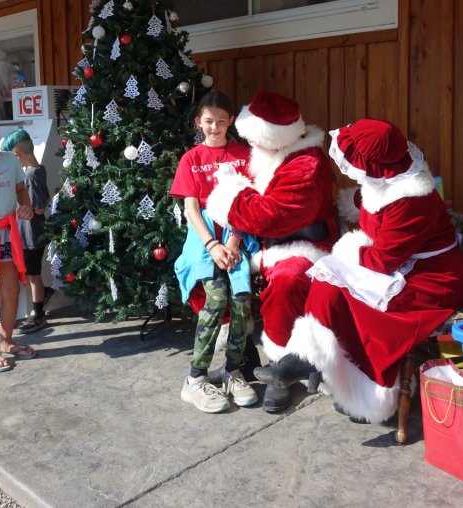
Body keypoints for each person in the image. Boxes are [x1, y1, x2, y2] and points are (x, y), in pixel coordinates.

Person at [254, 118, 463, 423]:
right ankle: (307, 358)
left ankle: (367, 390)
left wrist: (350, 250)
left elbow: (382, 260)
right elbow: (377, 233)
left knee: (359, 301)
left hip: (430, 280)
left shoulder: (410, 200)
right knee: (327, 280)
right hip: (398, 264)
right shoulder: (386, 180)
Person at [206, 89, 338, 412]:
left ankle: (281, 366)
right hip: (264, 244)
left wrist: (229, 197)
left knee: (287, 279)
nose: (252, 144)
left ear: (276, 136)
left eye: (256, 138)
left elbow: (272, 214)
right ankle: (273, 362)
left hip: (303, 245)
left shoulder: (307, 164)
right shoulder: (267, 153)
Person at [170, 90, 260, 413]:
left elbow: (247, 200)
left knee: (241, 301)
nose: (215, 127)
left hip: (237, 230)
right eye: (209, 121)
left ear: (230, 121)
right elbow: (191, 208)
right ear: (199, 122)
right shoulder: (191, 160)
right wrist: (212, 244)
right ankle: (195, 378)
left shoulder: (243, 155)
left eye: (222, 121)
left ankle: (233, 371)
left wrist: (234, 241)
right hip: (204, 236)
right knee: (217, 297)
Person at [0, 129, 50, 333]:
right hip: (28, 234)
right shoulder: (38, 170)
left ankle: (38, 314)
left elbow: (38, 207)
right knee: (31, 274)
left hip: (31, 234)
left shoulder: (31, 174)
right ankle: (42, 297)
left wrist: (24, 207)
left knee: (33, 275)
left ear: (16, 156)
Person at [0, 129, 36, 370]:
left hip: (6, 232)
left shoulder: (10, 160)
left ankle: (6, 341)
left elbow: (21, 191)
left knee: (11, 291)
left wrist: (26, 207)